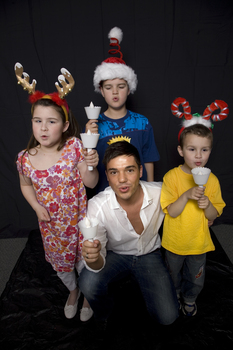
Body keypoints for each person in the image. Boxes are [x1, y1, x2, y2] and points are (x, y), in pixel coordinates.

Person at [15, 63, 98, 320]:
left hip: (80, 221)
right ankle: (73, 291)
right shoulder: (25, 158)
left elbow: (92, 183)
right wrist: (36, 206)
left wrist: (90, 163)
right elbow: (25, 184)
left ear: (63, 126)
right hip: (53, 229)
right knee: (63, 267)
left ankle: (88, 295)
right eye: (37, 121)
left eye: (51, 122)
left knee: (86, 262)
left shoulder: (74, 147)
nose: (43, 128)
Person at [78, 141, 179, 328]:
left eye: (129, 170)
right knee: (88, 282)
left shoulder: (161, 192)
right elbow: (97, 262)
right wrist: (92, 258)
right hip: (115, 255)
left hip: (150, 254)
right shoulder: (97, 207)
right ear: (107, 176)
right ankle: (105, 310)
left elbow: (184, 205)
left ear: (140, 172)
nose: (122, 179)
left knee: (168, 317)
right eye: (114, 172)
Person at [161, 99, 227, 316]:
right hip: (174, 242)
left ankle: (190, 298)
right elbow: (171, 211)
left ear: (210, 151)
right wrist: (187, 195)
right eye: (192, 149)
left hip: (198, 243)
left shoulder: (213, 180)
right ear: (181, 150)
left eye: (204, 150)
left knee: (196, 277)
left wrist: (207, 205)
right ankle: (175, 294)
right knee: (172, 275)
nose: (198, 156)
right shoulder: (172, 177)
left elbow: (213, 214)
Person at [86, 27, 160, 192]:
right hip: (106, 196)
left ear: (129, 89)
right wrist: (88, 139)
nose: (114, 92)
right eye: (109, 87)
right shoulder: (94, 125)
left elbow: (148, 159)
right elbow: (89, 167)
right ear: (102, 91)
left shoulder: (142, 123)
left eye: (120, 86)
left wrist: (151, 191)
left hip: (137, 193)